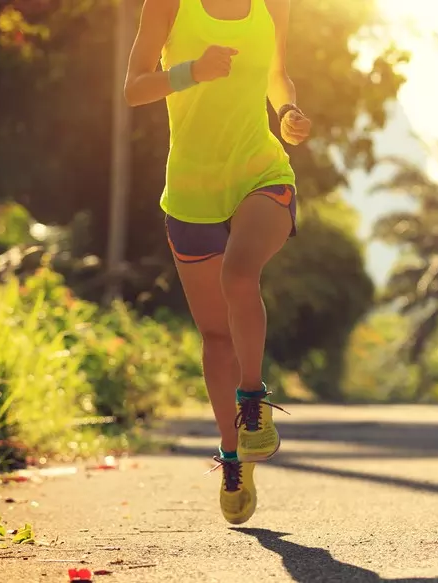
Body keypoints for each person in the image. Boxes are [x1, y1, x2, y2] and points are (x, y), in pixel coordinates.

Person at [124, 0, 311, 525]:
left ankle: (252, 400)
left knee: (239, 273)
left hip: (261, 169)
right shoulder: (165, 6)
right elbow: (134, 88)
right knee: (215, 336)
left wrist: (288, 112)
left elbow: (277, 75)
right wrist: (192, 71)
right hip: (190, 192)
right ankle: (233, 457)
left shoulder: (274, 4)